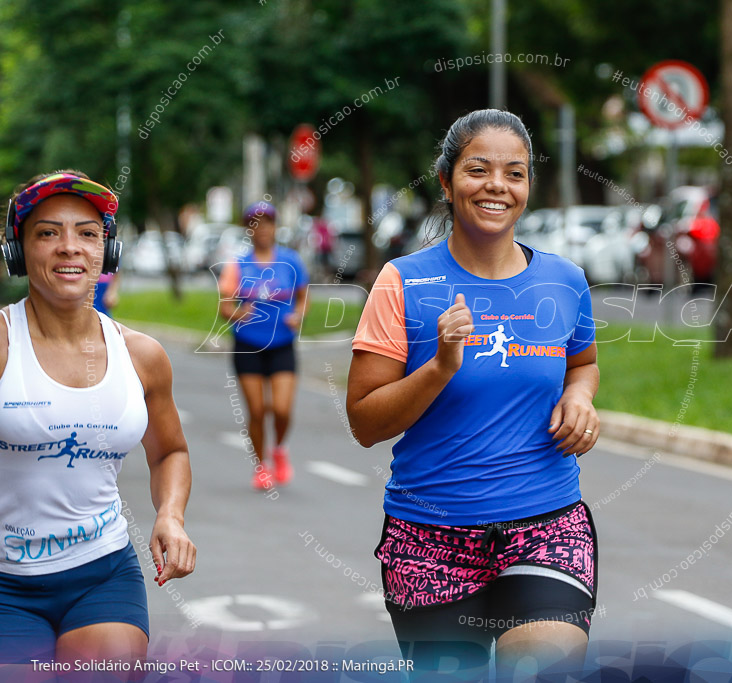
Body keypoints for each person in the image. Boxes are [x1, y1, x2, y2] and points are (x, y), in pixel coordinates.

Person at [347, 109, 600, 678]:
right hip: (429, 539)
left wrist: (580, 398)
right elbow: (364, 422)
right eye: (478, 169)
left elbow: (582, 364)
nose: (497, 186)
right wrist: (439, 367)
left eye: (515, 173)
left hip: (546, 525)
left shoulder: (563, 281)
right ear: (445, 180)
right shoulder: (403, 282)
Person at [0, 170, 196, 665]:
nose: (70, 247)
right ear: (18, 251)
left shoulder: (142, 355)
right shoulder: (3, 345)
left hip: (103, 572)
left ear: (106, 253)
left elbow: (170, 451)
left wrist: (169, 516)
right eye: (48, 232)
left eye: (87, 233)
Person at [218, 201, 309, 490]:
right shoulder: (238, 264)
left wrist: (299, 316)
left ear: (274, 226)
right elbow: (224, 305)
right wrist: (237, 313)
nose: (262, 229)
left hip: (282, 343)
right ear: (248, 229)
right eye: (255, 224)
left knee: (281, 409)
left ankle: (279, 448)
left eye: (267, 222)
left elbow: (304, 295)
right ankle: (261, 466)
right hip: (248, 344)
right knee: (257, 411)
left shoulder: (291, 261)